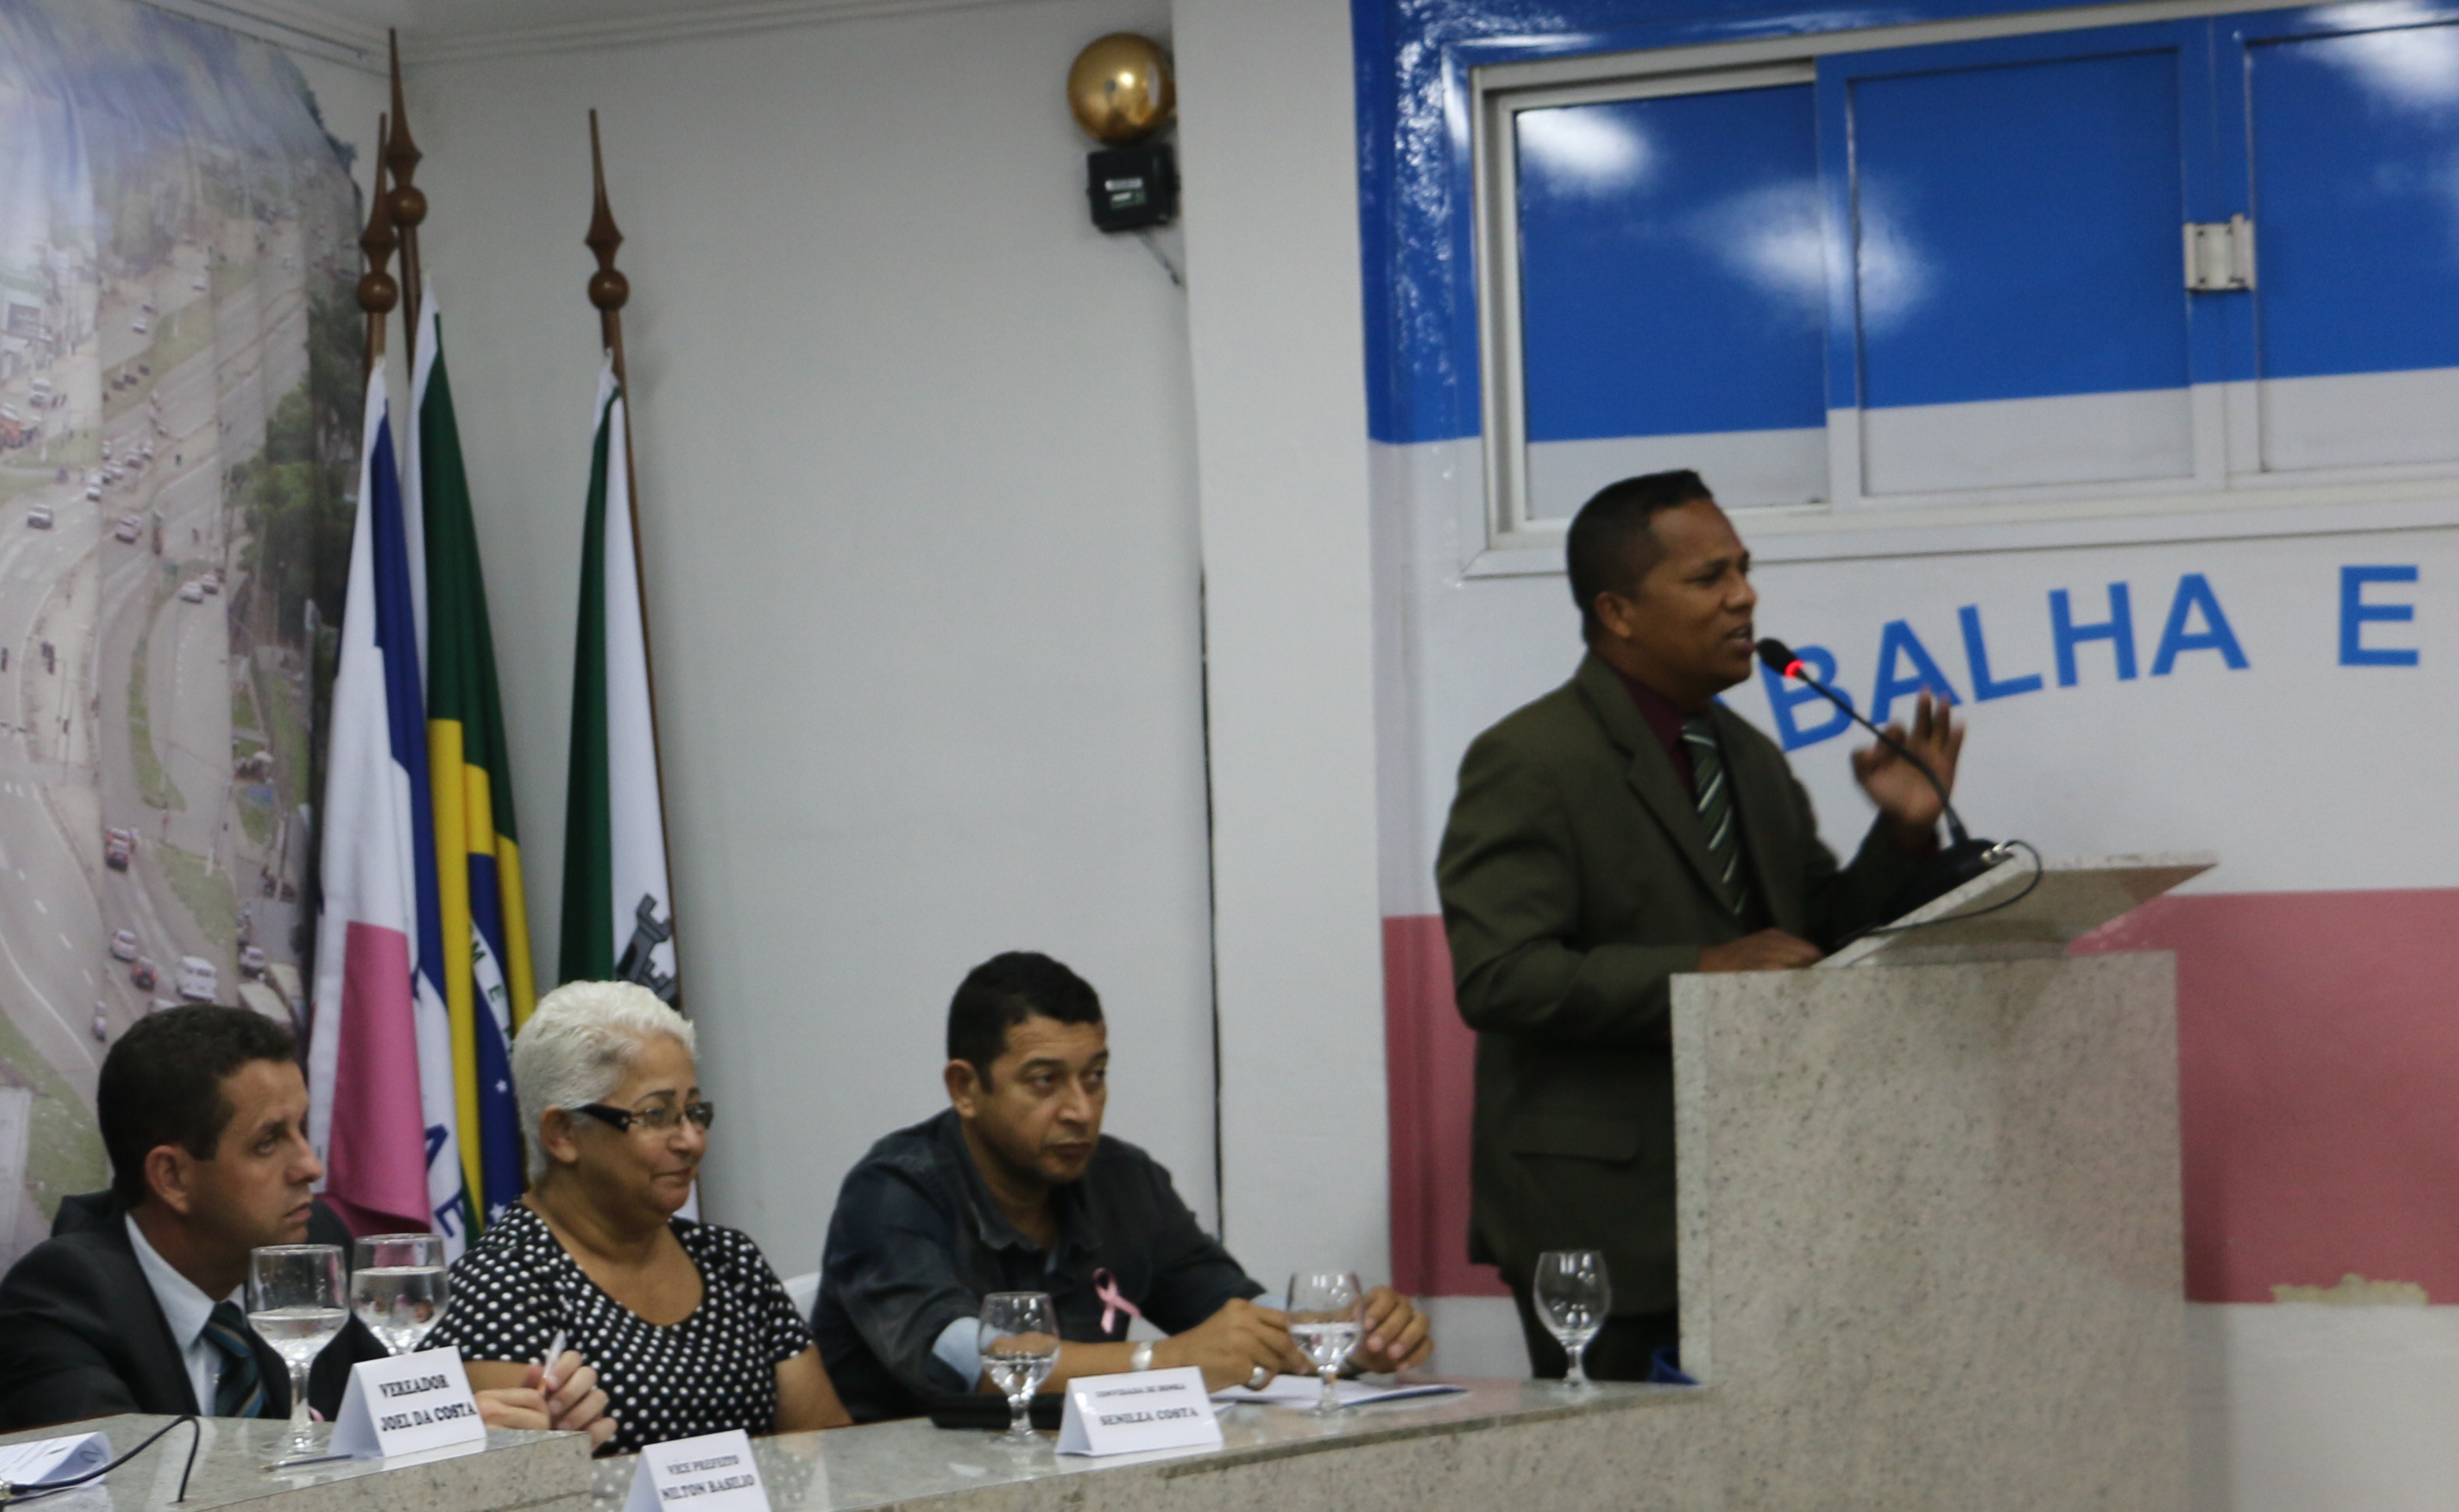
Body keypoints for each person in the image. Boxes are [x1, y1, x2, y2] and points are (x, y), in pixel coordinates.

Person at [1433, 470, 1965, 1381]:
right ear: (1619, 612)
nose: (1744, 597)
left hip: (1765, 1204)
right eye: (1709, 577)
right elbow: (1501, 975)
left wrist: (1904, 832)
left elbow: (1815, 941)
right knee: (1621, 1471)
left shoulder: (1747, 757)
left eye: (1745, 570)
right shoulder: (1530, 758)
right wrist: (1704, 970)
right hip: (1604, 1220)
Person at [814, 952, 1429, 1423]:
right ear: (966, 1089)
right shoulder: (892, 1192)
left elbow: (1231, 1315)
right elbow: (964, 1363)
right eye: (1045, 1081)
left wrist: (1344, 1340)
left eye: (1096, 1076)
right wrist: (1165, 1361)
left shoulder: (1122, 1180)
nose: (1082, 1110)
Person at [0, 1003, 605, 1440]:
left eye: (302, 1129)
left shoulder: (316, 1248)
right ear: (173, 1177)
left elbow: (399, 1419)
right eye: (269, 1141)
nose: (311, 1166)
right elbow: (124, 1501)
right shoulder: (62, 1299)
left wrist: (512, 1427)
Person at [429, 979, 851, 1454]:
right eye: (656, 1115)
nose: (692, 1140)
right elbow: (520, 1482)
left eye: (694, 1111)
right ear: (563, 1132)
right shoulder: (499, 1286)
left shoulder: (730, 1260)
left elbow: (830, 1449)